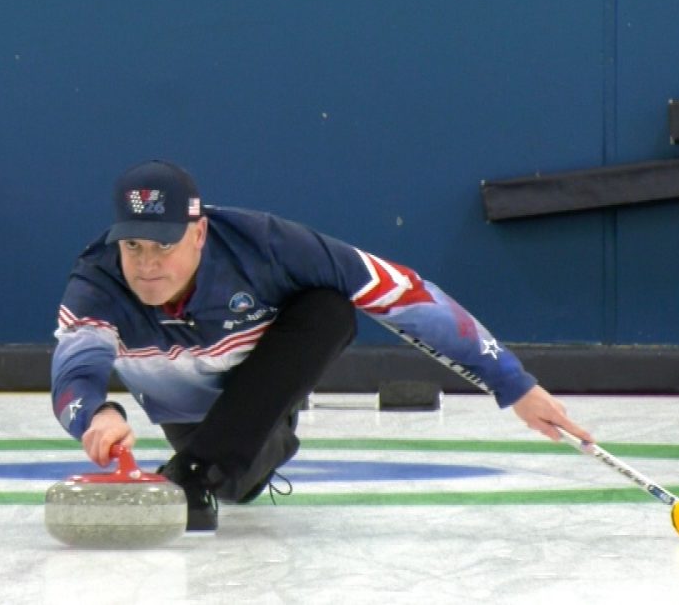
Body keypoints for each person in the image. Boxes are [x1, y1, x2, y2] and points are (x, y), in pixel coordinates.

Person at [50, 160, 592, 532]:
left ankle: (196, 472)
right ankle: (216, 460)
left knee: (330, 308)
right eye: (133, 246)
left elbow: (404, 295)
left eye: (163, 246)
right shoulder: (98, 280)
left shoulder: (267, 246)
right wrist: (96, 415)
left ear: (198, 233)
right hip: (191, 417)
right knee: (237, 486)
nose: (146, 265)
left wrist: (513, 384)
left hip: (264, 387)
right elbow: (74, 371)